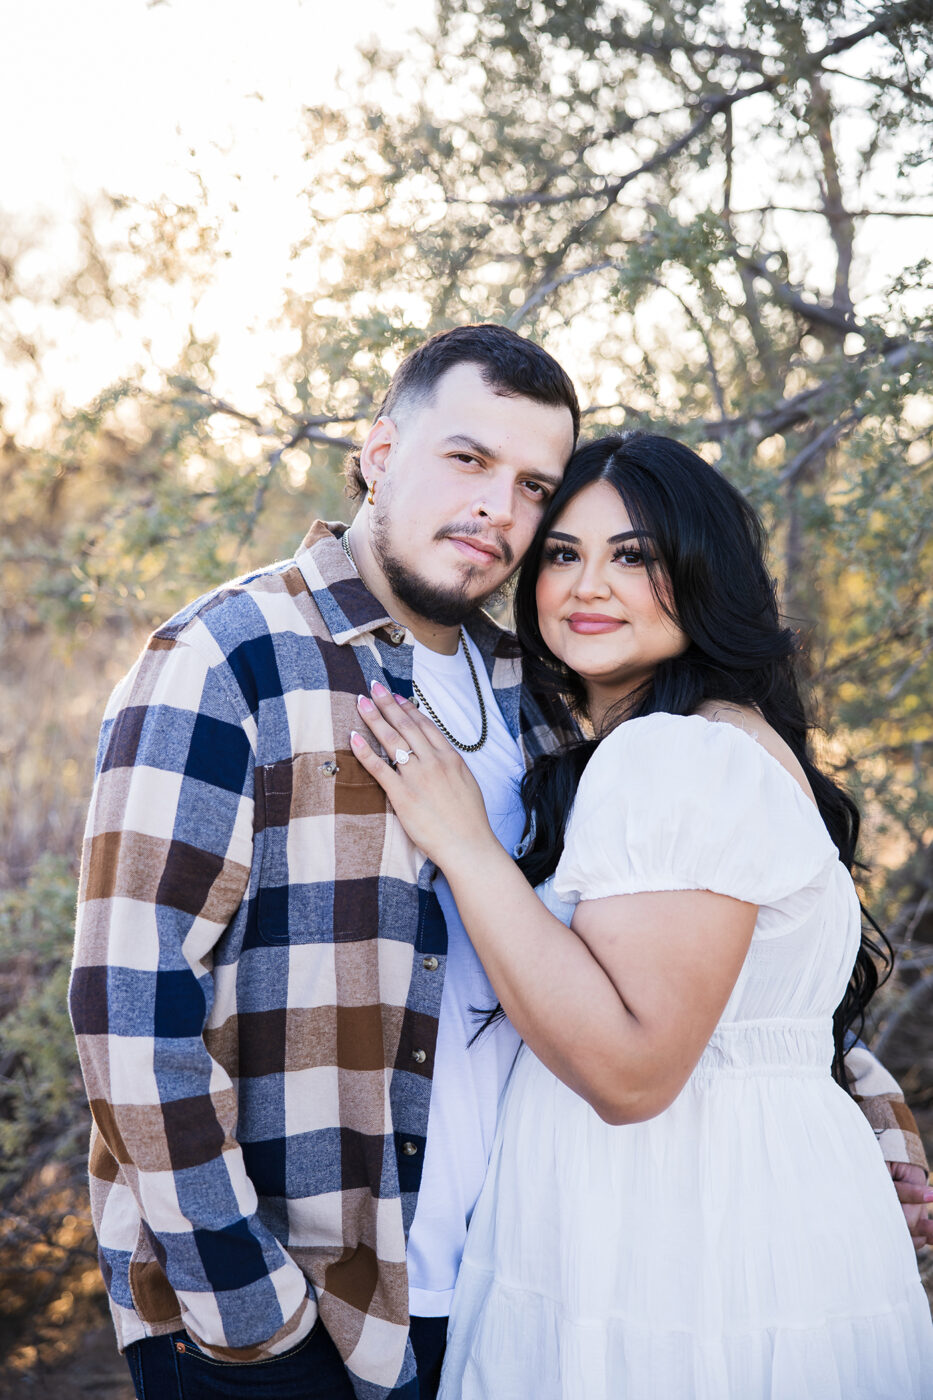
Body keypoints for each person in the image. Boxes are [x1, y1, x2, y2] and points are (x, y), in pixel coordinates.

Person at [68, 327, 927, 1400]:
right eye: (466, 459)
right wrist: (250, 1315)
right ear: (379, 453)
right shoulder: (232, 654)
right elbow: (130, 1001)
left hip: (503, 1292)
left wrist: (868, 1118)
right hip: (307, 1312)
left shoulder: (552, 695)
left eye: (532, 486)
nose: (500, 512)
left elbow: (709, 958)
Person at [349, 432, 933, 1398]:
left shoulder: (673, 755)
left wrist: (463, 844)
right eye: (563, 555)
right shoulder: (726, 737)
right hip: (755, 1219)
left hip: (670, 1243)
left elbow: (631, 1070)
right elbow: (749, 1021)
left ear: (703, 576)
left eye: (633, 556)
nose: (589, 586)